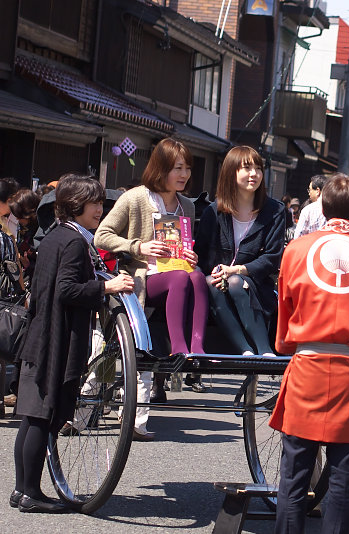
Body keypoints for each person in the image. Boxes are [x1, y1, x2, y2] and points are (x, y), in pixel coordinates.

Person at [268, 173, 349, 534]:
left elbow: (286, 307)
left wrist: (287, 345)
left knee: (294, 473)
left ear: (322, 207)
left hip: (307, 362)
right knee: (344, 474)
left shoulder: (297, 250)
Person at [11, 175, 134, 513]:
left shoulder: (54, 236)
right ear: (76, 204)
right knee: (43, 417)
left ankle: (22, 490)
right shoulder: (75, 242)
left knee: (31, 418)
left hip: (39, 337)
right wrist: (105, 288)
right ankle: (31, 494)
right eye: (94, 203)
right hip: (56, 340)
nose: (100, 209)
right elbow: (67, 290)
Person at [95, 137, 208, 440]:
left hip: (176, 277)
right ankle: (178, 345)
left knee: (196, 275)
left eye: (187, 168)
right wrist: (138, 246)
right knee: (183, 279)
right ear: (161, 168)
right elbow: (102, 236)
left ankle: (195, 347)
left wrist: (190, 255)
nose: (184, 175)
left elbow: (185, 246)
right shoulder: (134, 198)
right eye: (177, 168)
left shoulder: (186, 205)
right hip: (141, 278)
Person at [195, 146, 285, 357]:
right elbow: (201, 253)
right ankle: (244, 349)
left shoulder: (275, 210)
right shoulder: (214, 211)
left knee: (236, 282)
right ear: (231, 172)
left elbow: (272, 257)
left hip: (257, 285)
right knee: (212, 282)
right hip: (217, 282)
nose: (254, 174)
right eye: (246, 168)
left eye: (258, 168)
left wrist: (239, 270)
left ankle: (264, 349)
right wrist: (218, 271)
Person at [9, 188, 41, 285]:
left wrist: (28, 265)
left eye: (19, 216)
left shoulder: (41, 234)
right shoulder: (28, 230)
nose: (17, 220)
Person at [293, 174, 327, 238]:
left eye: (310, 190)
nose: (309, 193)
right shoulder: (335, 209)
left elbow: (298, 237)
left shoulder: (308, 210)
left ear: (317, 191)